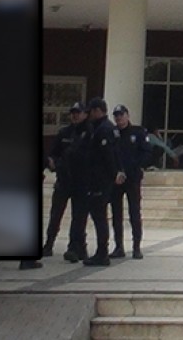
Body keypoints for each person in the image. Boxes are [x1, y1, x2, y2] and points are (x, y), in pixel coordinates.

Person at [68, 99, 120, 267]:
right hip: (98, 179)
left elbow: (108, 156)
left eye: (91, 111)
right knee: (98, 216)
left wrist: (111, 175)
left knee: (99, 217)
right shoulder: (103, 128)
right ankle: (100, 251)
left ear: (98, 111)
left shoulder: (103, 129)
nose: (89, 114)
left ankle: (102, 253)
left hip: (99, 180)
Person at [42, 102, 86, 260]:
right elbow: (53, 153)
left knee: (78, 217)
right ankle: (49, 243)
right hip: (63, 180)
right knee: (56, 214)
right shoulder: (64, 133)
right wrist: (53, 162)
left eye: (78, 112)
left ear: (85, 114)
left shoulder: (88, 133)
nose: (75, 115)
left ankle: (75, 247)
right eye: (73, 113)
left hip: (80, 181)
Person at [109, 105, 147, 261]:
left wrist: (133, 168)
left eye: (121, 115)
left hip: (132, 178)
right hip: (116, 179)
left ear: (127, 115)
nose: (119, 118)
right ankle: (119, 246)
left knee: (134, 213)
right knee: (116, 214)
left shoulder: (137, 132)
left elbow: (146, 152)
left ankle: (136, 246)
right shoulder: (112, 134)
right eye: (116, 116)